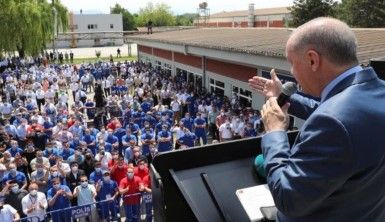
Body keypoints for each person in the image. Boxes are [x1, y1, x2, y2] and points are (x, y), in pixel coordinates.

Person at [248, 17, 385, 221]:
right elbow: (337, 113)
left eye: (292, 64)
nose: (293, 73)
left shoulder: (333, 123)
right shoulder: (375, 91)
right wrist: (285, 97)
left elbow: (287, 199)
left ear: (313, 60)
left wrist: (274, 132)